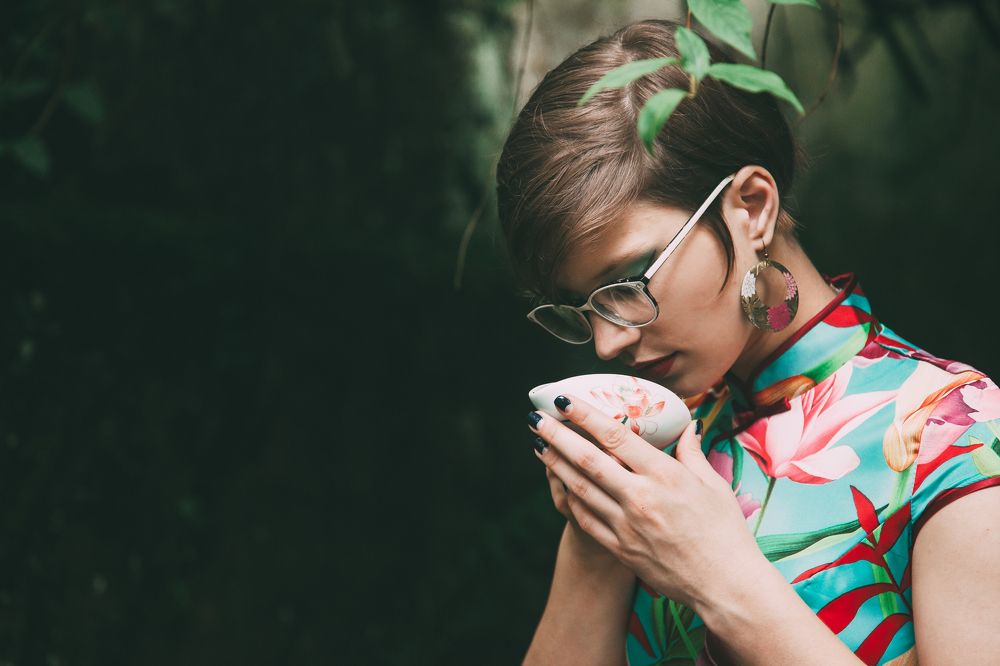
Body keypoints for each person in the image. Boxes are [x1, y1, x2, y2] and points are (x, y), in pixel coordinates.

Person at [495, 18, 1000, 666]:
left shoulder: (954, 435)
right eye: (580, 309)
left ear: (753, 206)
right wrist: (594, 543)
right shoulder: (663, 444)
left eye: (626, 282)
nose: (605, 343)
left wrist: (723, 579)